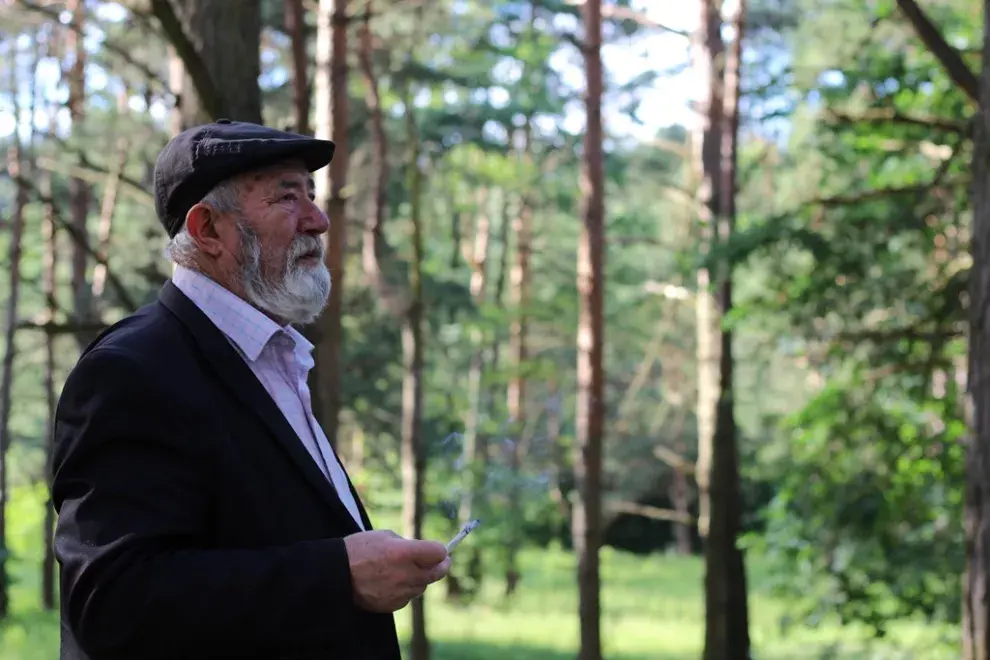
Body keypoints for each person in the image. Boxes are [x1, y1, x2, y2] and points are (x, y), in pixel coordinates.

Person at [50, 119, 451, 660]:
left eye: (312, 195)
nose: (319, 219)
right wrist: (339, 575)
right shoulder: (131, 372)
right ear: (208, 229)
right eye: (287, 198)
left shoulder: (274, 357)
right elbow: (112, 602)